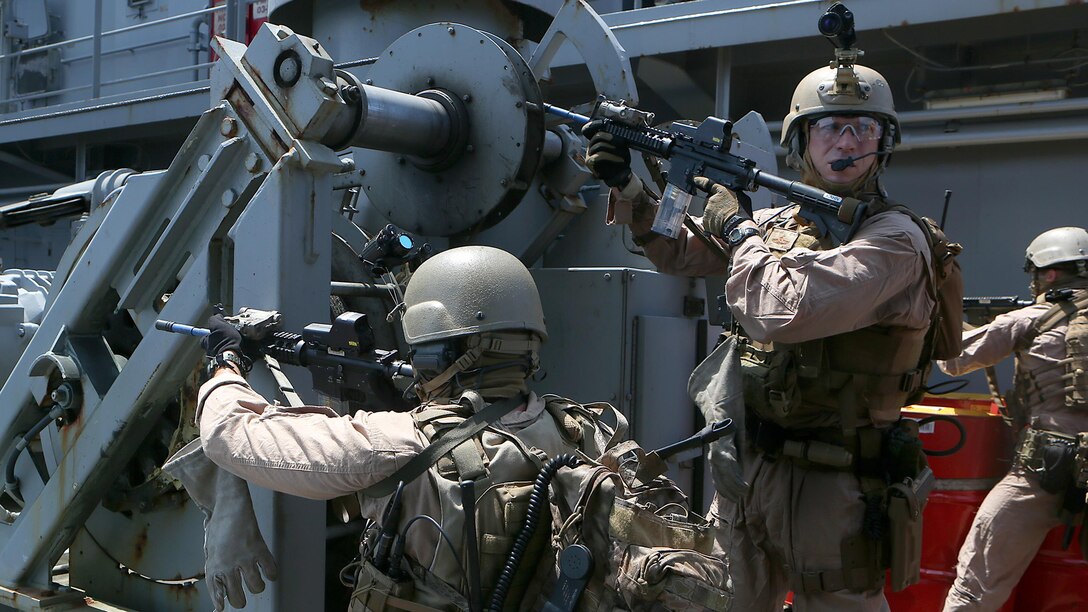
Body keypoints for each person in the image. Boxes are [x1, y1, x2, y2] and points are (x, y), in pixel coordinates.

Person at [584, 54, 959, 610]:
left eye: (863, 127)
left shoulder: (897, 240)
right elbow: (677, 252)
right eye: (829, 126)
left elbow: (781, 308)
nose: (846, 140)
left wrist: (735, 225)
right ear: (802, 140)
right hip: (749, 466)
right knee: (730, 599)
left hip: (840, 483)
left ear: (884, 143)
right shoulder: (781, 225)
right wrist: (632, 188)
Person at [167, 245, 730, 612]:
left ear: (451, 354)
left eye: (426, 352)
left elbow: (230, 435)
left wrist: (226, 361)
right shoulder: (586, 429)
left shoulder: (399, 441)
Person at [939, 227, 1088, 611]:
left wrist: (954, 316)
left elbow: (953, 359)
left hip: (1044, 471)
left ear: (1050, 274)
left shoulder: (1031, 319)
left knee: (976, 586)